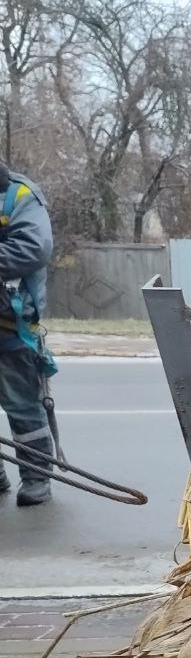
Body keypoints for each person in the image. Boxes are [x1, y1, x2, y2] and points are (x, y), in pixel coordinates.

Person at [0, 162, 56, 507]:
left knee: (22, 406)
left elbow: (33, 248)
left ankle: (36, 476)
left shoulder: (19, 195)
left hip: (9, 323)